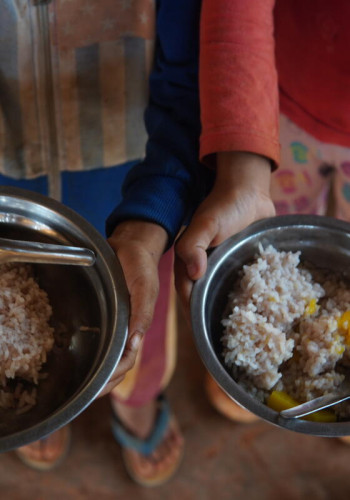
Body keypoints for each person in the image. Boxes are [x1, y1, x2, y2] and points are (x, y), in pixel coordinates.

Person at [0, 0, 209, 486]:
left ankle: (137, 400)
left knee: (140, 320)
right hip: (8, 178)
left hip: (129, 175)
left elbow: (193, 79)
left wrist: (152, 214)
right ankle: (29, 400)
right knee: (24, 366)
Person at [174, 0, 350, 434]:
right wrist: (244, 177)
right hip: (272, 103)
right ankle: (251, 371)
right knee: (272, 231)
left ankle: (322, 401)